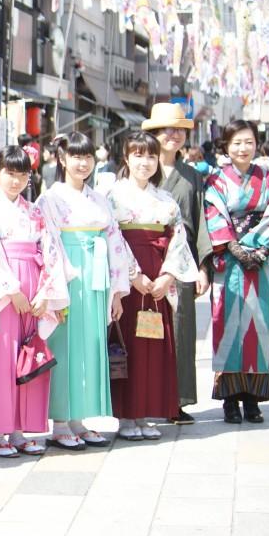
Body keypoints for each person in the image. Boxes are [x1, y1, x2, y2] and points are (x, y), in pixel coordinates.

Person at [0, 146, 69, 458]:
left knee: (28, 356)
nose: (16, 181)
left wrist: (44, 293)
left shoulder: (34, 211)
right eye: (10, 173)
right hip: (2, 292)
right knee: (0, 359)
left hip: (33, 289)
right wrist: (12, 290)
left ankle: (20, 431)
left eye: (22, 175)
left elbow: (50, 251)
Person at [36, 133, 132, 450]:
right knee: (64, 348)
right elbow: (47, 243)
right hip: (68, 276)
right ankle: (61, 421)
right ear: (62, 159)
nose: (83, 163)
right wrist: (55, 287)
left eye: (88, 156)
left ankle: (80, 418)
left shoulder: (99, 199)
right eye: (76, 156)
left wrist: (117, 291)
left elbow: (116, 243)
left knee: (90, 346)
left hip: (97, 276)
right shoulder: (50, 199)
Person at [106, 132, 200, 440]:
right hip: (127, 280)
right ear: (126, 158)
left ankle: (146, 414)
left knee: (154, 347)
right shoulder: (113, 196)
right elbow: (111, 239)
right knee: (128, 346)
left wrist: (168, 276)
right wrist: (133, 275)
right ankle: (125, 416)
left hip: (157, 279)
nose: (144, 162)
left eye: (149, 156)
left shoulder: (165, 200)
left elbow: (178, 241)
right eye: (137, 155)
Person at [205, 119, 269, 424]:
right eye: (236, 142)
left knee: (260, 327)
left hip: (262, 265)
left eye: (248, 142)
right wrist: (235, 248)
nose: (243, 148)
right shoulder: (216, 181)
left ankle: (254, 398)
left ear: (257, 144)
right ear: (226, 146)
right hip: (230, 262)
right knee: (228, 325)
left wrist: (262, 249)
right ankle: (229, 398)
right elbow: (214, 213)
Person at [144, 103, 213, 424]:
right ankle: (143, 399)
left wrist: (203, 266)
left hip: (181, 260)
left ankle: (178, 399)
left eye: (178, 130)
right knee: (144, 330)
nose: (172, 135)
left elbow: (200, 222)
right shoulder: (140, 167)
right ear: (153, 134)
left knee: (182, 330)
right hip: (145, 259)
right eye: (165, 130)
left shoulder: (192, 176)